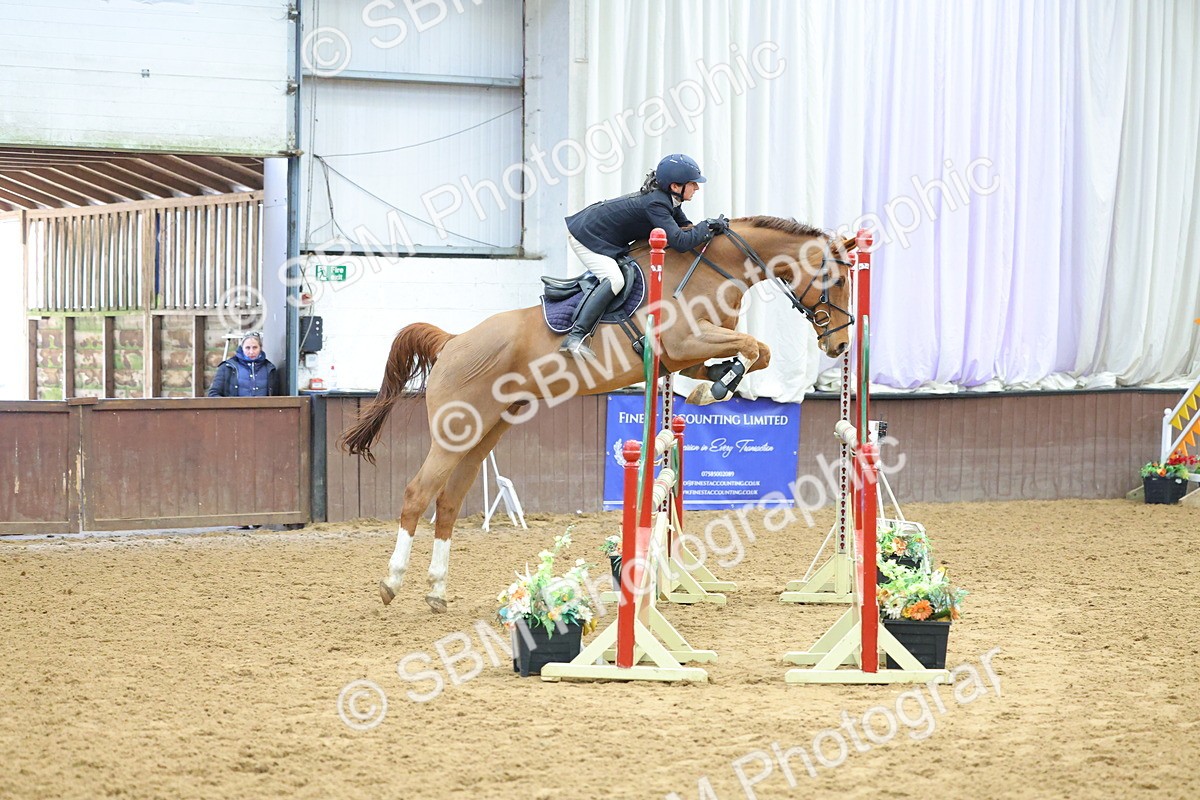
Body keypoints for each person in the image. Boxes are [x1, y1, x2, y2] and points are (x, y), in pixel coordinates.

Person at [561, 153, 730, 358]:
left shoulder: (671, 200)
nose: (697, 188)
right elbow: (681, 242)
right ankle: (575, 337)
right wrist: (706, 226)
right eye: (693, 183)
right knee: (615, 280)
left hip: (602, 234)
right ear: (676, 186)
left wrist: (710, 229)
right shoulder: (657, 203)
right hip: (586, 235)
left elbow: (685, 228)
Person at [207, 333, 281, 397]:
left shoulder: (269, 368)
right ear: (242, 348)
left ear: (260, 348)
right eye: (247, 348)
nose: (251, 352)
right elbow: (213, 394)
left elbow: (277, 397)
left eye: (255, 347)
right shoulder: (227, 367)